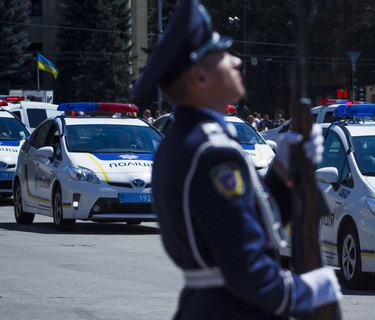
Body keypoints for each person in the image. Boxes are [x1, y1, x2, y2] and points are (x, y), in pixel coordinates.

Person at [131, 1, 341, 319]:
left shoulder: (187, 141)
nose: (237, 61)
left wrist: (281, 173)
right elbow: (247, 269)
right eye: (223, 55)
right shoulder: (212, 153)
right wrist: (307, 292)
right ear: (199, 77)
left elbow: (244, 225)